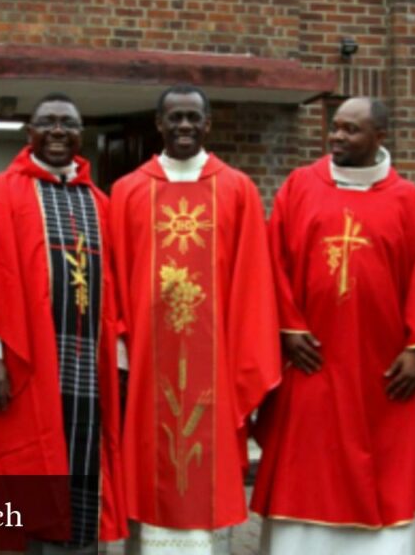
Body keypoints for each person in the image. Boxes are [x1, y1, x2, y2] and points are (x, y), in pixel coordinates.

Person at [249, 97, 415, 554]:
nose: (337, 137)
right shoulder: (299, 187)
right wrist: (286, 329)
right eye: (335, 127)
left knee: (389, 470)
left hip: (382, 370)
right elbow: (272, 264)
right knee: (307, 469)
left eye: (351, 130)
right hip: (313, 362)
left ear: (379, 138)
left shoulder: (409, 200)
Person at [0, 92, 128, 554]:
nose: (58, 131)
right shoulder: (0, 193)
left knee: (82, 464)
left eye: (68, 123)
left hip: (86, 367)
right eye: (48, 122)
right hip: (26, 362)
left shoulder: (99, 202)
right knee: (22, 461)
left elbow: (116, 289)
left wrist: (118, 360)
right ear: (30, 133)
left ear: (81, 136)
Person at [111, 84, 280, 555]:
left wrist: (247, 359)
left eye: (193, 118)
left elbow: (252, 282)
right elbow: (116, 281)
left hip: (217, 363)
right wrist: (122, 354)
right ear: (158, 124)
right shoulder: (127, 192)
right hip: (147, 362)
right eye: (174, 118)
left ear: (208, 124)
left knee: (206, 470)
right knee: (148, 469)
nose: (184, 126)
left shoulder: (236, 189)